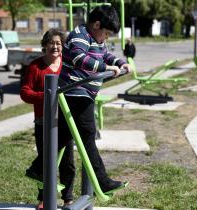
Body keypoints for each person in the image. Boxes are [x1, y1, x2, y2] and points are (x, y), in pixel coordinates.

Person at [58, 5, 131, 202]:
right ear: (96, 24)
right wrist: (105, 67)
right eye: (105, 33)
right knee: (88, 136)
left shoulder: (96, 40)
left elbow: (105, 55)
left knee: (62, 139)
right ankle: (102, 182)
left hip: (83, 93)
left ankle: (39, 169)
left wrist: (119, 63)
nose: (105, 38)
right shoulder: (79, 36)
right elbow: (79, 58)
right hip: (75, 92)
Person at [20, 29, 70, 209]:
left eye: (58, 43)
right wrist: (46, 96)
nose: (55, 46)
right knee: (45, 162)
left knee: (67, 163)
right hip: (43, 121)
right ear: (44, 45)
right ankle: (43, 199)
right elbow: (25, 93)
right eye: (51, 43)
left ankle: (68, 199)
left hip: (65, 122)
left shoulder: (68, 65)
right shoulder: (35, 67)